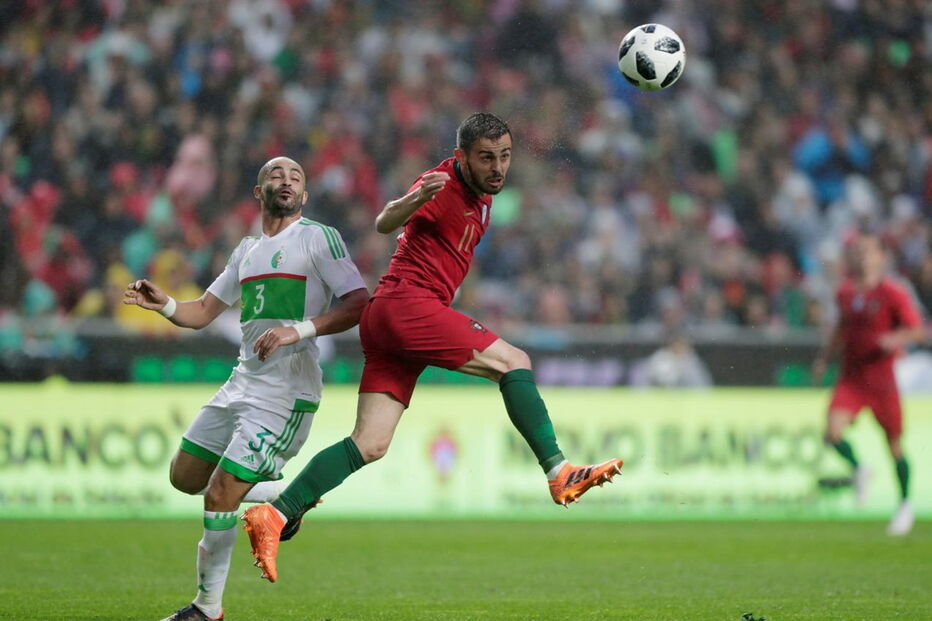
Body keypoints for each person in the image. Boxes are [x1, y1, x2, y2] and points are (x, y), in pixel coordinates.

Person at [242, 113, 624, 583]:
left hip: (388, 319)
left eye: (504, 156)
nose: (497, 167)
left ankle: (275, 514)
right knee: (514, 362)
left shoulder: (483, 198)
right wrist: (412, 199)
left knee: (371, 443)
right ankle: (558, 470)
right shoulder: (441, 181)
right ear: (463, 156)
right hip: (407, 306)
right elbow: (385, 221)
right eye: (486, 158)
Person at [124, 156, 369, 621]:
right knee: (184, 477)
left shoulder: (317, 237)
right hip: (241, 383)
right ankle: (283, 498)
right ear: (259, 192)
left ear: (305, 195)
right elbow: (201, 312)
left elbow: (359, 303)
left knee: (219, 494)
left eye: (296, 176)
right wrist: (166, 304)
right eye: (276, 175)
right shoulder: (247, 251)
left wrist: (300, 330)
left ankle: (206, 609)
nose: (286, 180)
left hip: (285, 392)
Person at [813, 233, 924, 536]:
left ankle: (904, 504)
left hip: (882, 380)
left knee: (894, 446)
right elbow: (840, 328)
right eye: (857, 252)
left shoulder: (892, 292)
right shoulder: (846, 293)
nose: (861, 257)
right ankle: (859, 469)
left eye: (867, 251)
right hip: (851, 377)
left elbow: (917, 330)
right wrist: (824, 358)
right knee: (832, 433)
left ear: (880, 257)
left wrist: (895, 338)